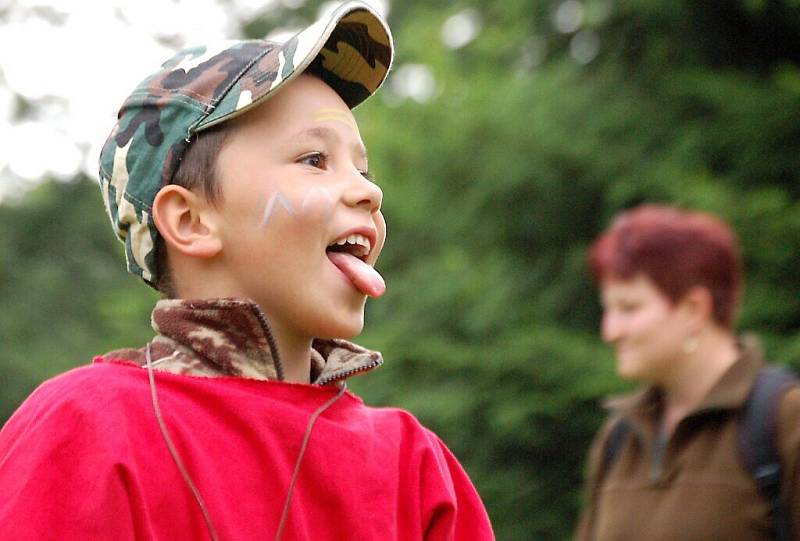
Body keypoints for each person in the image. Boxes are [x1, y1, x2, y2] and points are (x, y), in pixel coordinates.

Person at [0, 2, 495, 540]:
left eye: (363, 167)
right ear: (190, 221)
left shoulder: (415, 467)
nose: (369, 190)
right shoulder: (85, 428)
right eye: (313, 160)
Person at [574, 204, 800, 540]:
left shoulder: (783, 419)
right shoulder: (619, 437)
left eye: (629, 308)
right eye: (608, 309)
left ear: (694, 309)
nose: (610, 330)